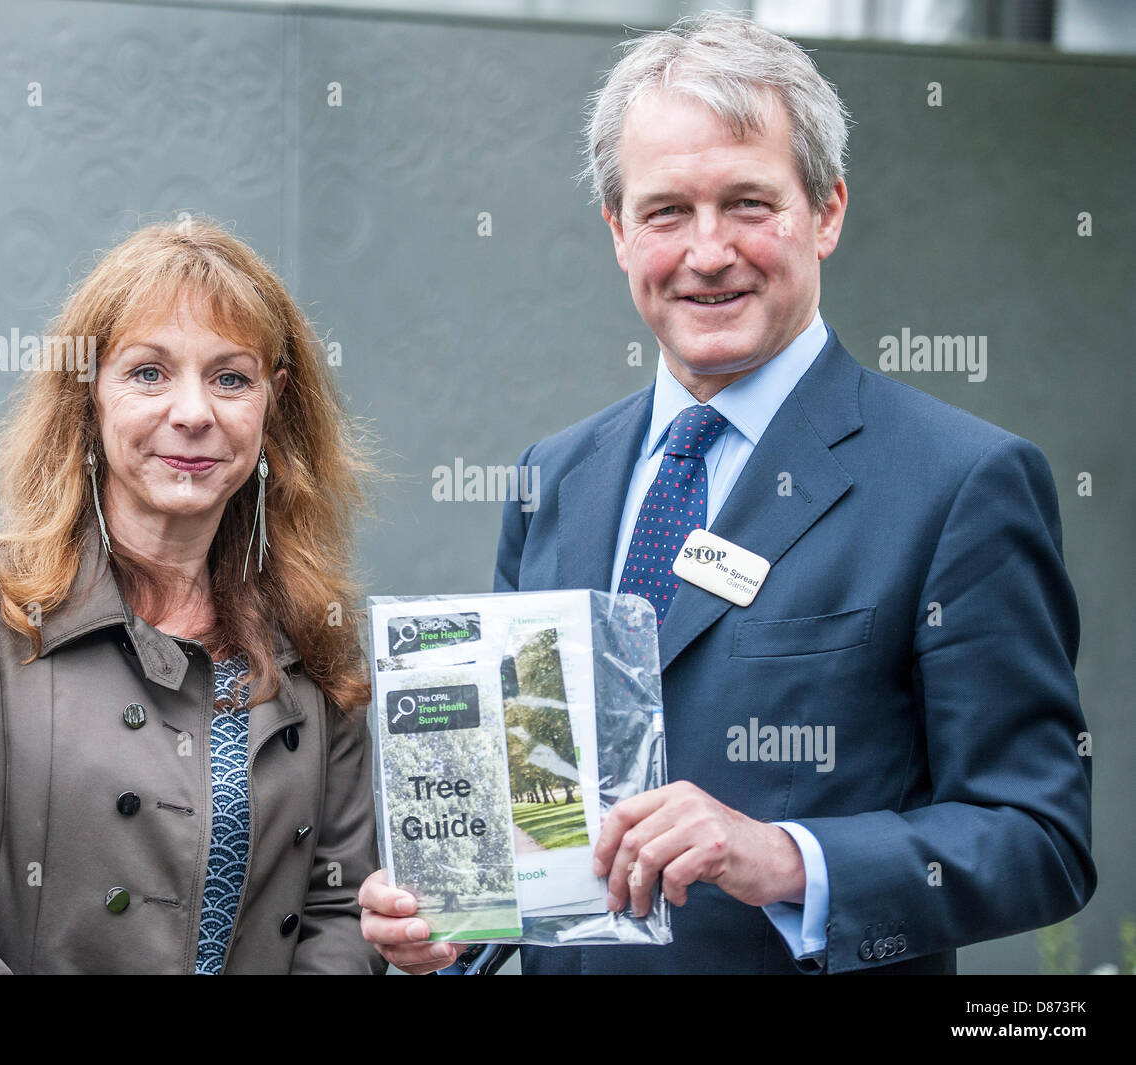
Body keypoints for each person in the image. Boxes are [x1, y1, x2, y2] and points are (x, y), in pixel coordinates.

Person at [360, 12, 1095, 974]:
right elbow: (537, 823)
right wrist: (460, 930)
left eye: (748, 203)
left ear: (826, 212)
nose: (708, 252)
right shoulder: (556, 478)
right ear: (620, 233)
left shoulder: (962, 483)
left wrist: (787, 857)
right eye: (667, 212)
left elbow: (1038, 836)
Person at [0, 218, 385, 974]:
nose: (194, 412)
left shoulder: (314, 637)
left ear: (272, 405)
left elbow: (339, 913)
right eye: (149, 373)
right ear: (89, 394)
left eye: (230, 378)